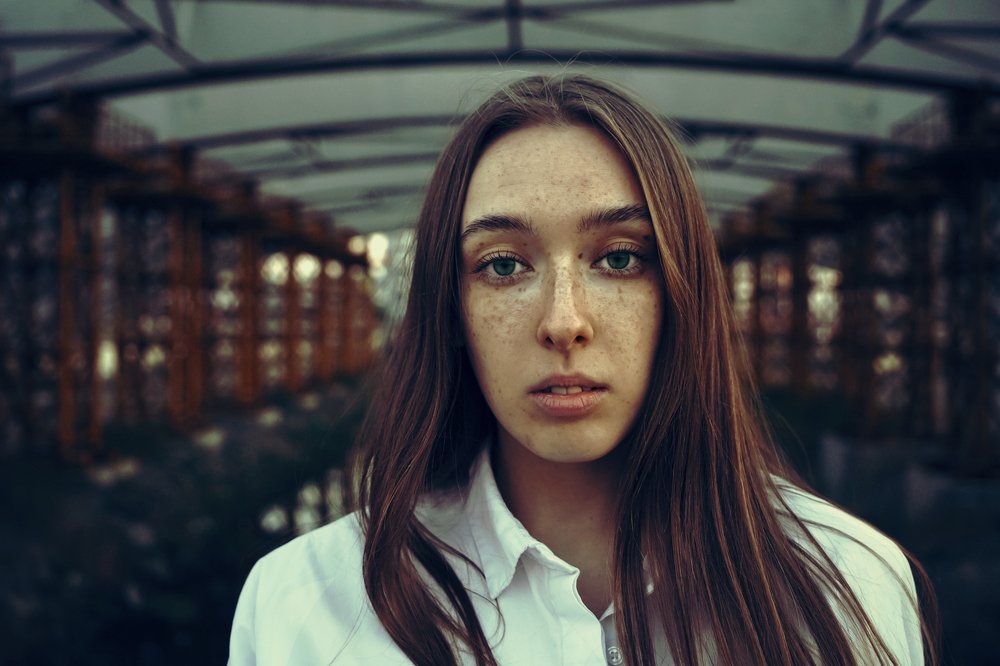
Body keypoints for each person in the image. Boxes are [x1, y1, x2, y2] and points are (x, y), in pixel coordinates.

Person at [229, 74, 936, 665]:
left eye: (620, 257)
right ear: (452, 307)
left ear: (681, 293)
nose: (564, 320)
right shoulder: (305, 604)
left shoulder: (847, 583)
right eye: (503, 265)